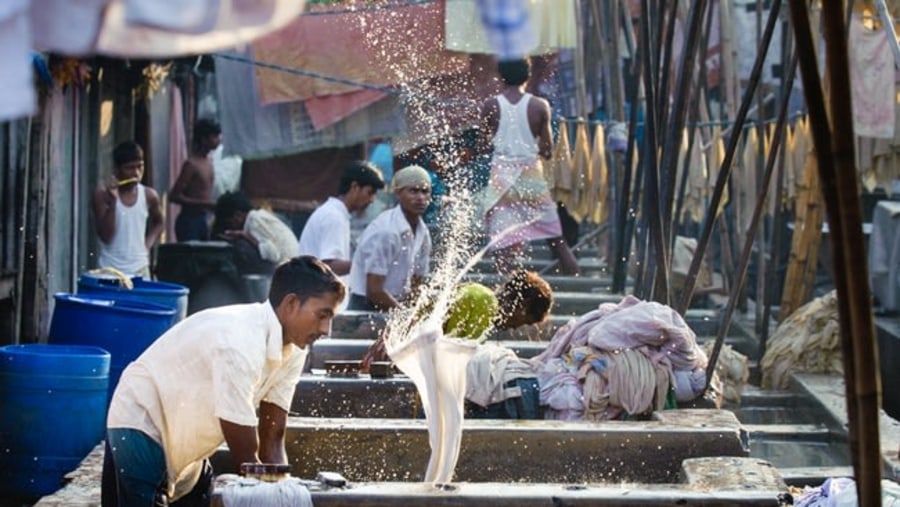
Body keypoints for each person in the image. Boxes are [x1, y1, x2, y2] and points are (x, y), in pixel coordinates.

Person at [102, 256, 345, 506]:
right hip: (142, 420)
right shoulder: (239, 341)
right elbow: (246, 459)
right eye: (322, 315)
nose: (327, 329)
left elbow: (273, 436)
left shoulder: (295, 348)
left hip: (186, 442)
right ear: (291, 303)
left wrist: (283, 489)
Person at [480, 57, 579, 275]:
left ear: (501, 76)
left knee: (502, 240)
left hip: (501, 176)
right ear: (528, 75)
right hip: (530, 174)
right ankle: (573, 275)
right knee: (555, 238)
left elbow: (483, 145)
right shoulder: (539, 106)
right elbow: (546, 150)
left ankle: (507, 288)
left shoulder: (490, 106)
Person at [347, 165, 432, 311]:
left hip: (395, 305)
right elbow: (374, 291)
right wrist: (404, 316)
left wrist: (415, 312)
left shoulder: (423, 233)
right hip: (366, 307)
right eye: (413, 191)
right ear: (398, 193)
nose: (420, 198)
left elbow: (417, 283)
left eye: (425, 192)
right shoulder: (386, 231)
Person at [298, 160, 385, 277]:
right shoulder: (334, 217)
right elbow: (330, 266)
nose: (372, 200)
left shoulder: (336, 213)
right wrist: (369, 263)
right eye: (370, 192)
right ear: (355, 187)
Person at [92, 141, 164, 278]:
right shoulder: (102, 194)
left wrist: (147, 245)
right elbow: (105, 236)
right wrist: (113, 202)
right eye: (129, 168)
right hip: (109, 272)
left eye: (140, 167)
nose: (136, 173)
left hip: (139, 270)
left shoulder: (149, 195)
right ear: (116, 169)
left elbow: (159, 223)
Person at [213, 191, 300, 272]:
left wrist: (245, 236)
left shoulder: (254, 221)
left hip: (287, 267)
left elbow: (273, 254)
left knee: (241, 246)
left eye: (229, 222)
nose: (230, 226)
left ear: (238, 215)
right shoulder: (255, 218)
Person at [170, 118, 221, 241]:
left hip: (203, 218)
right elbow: (174, 196)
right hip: (189, 221)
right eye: (214, 137)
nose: (218, 140)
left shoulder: (209, 162)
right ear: (204, 139)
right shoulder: (191, 164)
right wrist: (205, 204)